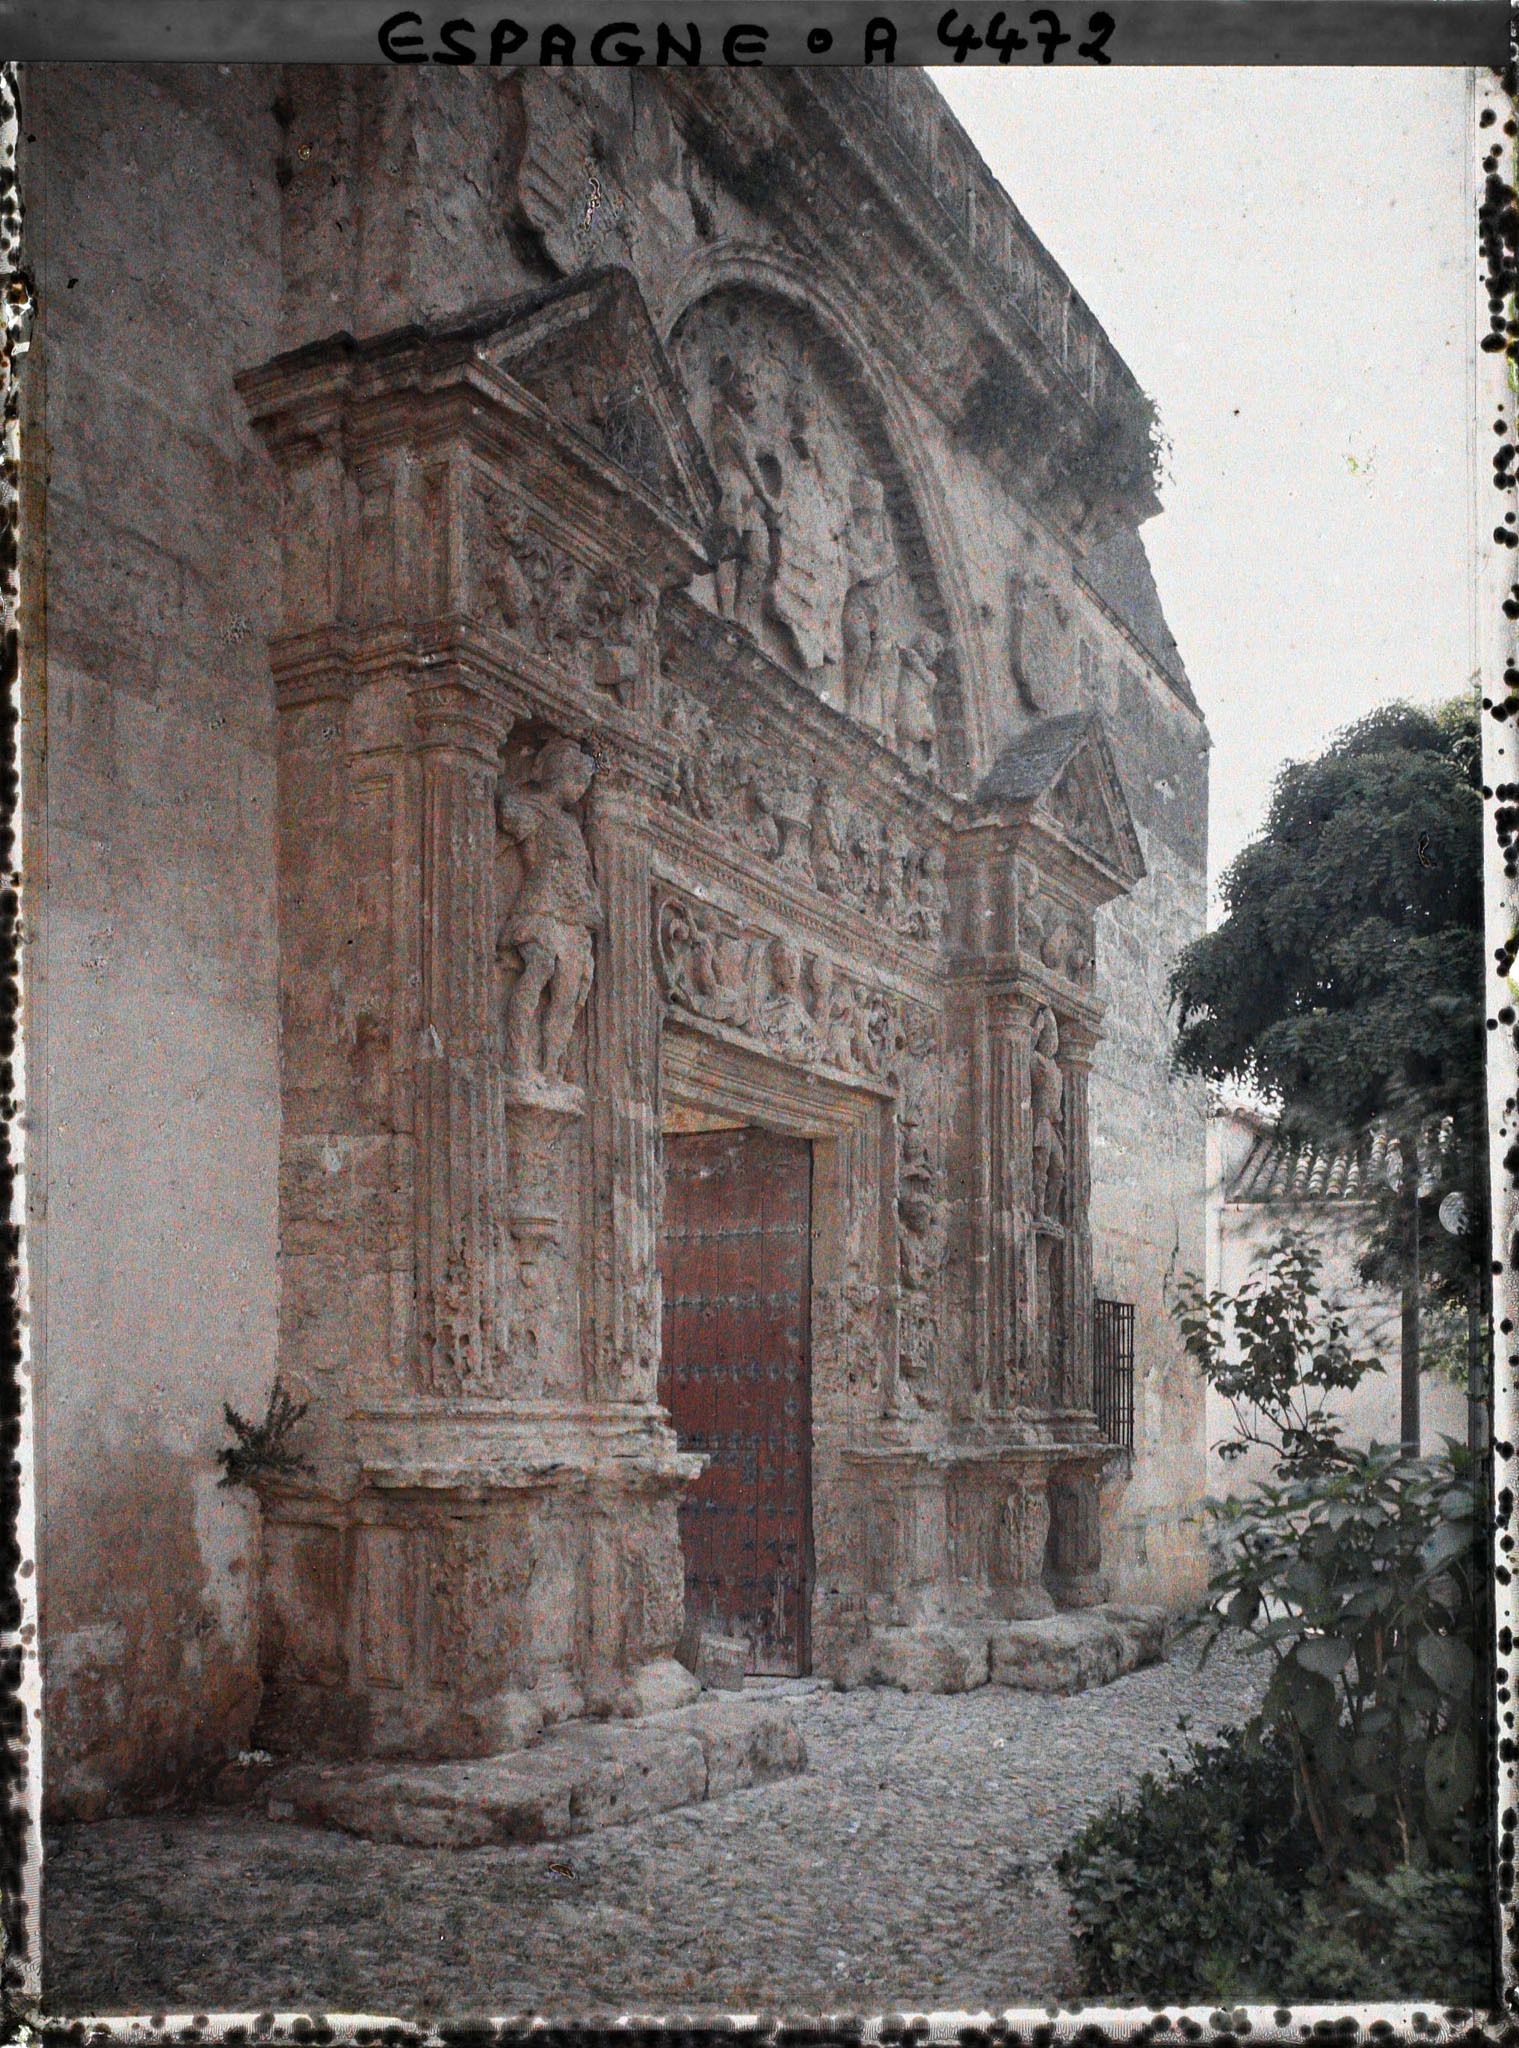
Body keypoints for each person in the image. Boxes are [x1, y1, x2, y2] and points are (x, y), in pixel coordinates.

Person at [496, 738, 602, 1085]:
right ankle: (517, 1060)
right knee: (538, 969)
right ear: (562, 777)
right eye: (578, 782)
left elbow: (583, 873)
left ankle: (551, 1068)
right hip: (542, 905)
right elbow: (511, 823)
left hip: (572, 915)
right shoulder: (530, 809)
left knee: (568, 994)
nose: (580, 791)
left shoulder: (570, 824)